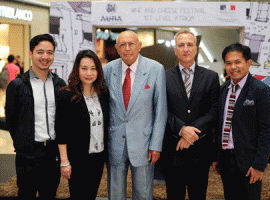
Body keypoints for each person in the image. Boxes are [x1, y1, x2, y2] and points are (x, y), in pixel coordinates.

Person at [103, 30, 167, 200]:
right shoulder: (107, 70)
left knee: (143, 193)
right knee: (115, 194)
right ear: (116, 48)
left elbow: (160, 111)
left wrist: (156, 145)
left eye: (131, 44)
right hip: (115, 143)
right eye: (122, 45)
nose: (127, 48)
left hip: (144, 144)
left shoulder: (155, 69)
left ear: (139, 46)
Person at [5, 34, 66, 199]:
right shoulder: (17, 85)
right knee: (26, 193)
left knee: (49, 194)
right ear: (31, 54)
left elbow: (62, 120)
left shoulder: (60, 85)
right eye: (40, 52)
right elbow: (11, 120)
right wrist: (22, 143)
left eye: (49, 52)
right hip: (28, 154)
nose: (45, 57)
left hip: (52, 154)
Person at [212, 43, 270, 200]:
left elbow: (267, 130)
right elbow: (219, 125)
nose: (233, 67)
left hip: (249, 162)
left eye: (237, 62)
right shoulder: (223, 89)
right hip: (226, 160)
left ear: (248, 63)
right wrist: (216, 156)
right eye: (228, 63)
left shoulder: (260, 90)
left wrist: (259, 165)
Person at [162, 30, 220, 200]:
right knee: (174, 195)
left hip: (200, 151)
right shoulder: (163, 76)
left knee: (198, 195)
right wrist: (181, 129)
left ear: (196, 48)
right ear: (175, 49)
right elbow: (161, 110)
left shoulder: (211, 77)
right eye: (181, 45)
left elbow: (215, 109)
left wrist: (190, 133)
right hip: (173, 150)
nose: (185, 49)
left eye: (189, 45)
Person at [55, 50, 109, 199]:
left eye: (93, 68)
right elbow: (61, 130)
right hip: (77, 158)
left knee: (91, 195)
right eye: (84, 68)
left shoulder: (103, 93)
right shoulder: (66, 95)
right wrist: (64, 161)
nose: (89, 73)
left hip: (98, 157)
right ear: (77, 70)